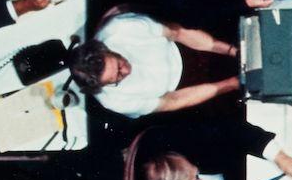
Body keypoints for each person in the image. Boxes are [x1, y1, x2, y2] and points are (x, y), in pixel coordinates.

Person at [68, 12, 237, 120]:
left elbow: (178, 32)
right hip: (184, 90)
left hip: (186, 46)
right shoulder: (113, 101)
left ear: (104, 48)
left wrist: (232, 51)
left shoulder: (120, 28)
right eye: (117, 79)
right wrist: (232, 83)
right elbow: (174, 101)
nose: (126, 71)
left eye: (119, 64)